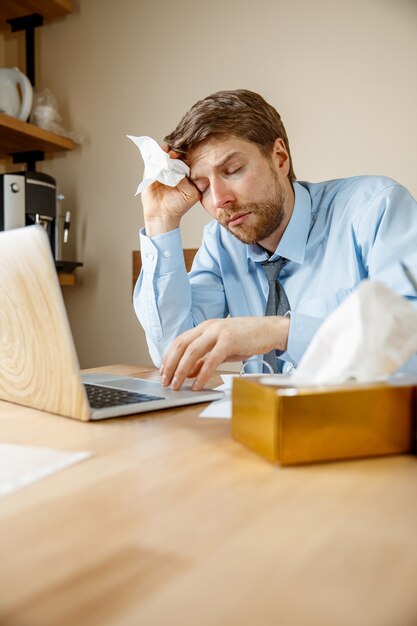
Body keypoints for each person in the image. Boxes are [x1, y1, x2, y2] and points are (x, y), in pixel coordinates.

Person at [133, 89, 417, 390]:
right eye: (202, 186)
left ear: (279, 158)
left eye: (233, 170)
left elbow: (410, 343)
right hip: (260, 427)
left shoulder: (375, 209)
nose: (219, 200)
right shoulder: (221, 243)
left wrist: (278, 332)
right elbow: (175, 353)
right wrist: (160, 221)